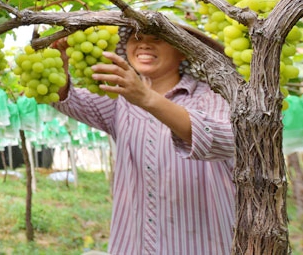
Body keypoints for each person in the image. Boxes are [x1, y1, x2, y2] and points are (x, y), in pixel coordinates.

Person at [51, 29, 235, 255]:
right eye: (136, 38)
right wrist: (60, 63)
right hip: (135, 244)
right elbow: (67, 100)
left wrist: (147, 98)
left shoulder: (212, 96)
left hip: (201, 245)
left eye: (157, 38)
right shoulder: (120, 100)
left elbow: (223, 139)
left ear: (183, 51)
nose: (144, 45)